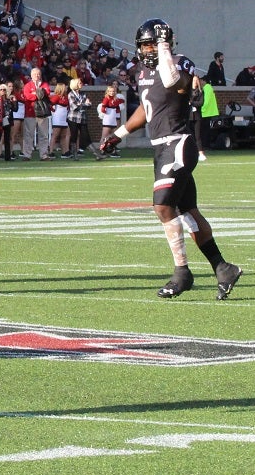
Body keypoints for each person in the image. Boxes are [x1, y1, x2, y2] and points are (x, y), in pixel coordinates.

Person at [100, 19, 242, 300]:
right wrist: (118, 134)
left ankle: (182, 273)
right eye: (146, 44)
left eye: (155, 43)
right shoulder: (142, 72)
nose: (150, 49)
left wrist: (165, 48)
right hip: (160, 147)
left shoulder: (179, 63)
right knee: (188, 211)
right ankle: (223, 268)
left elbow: (171, 80)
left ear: (166, 43)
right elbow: (146, 107)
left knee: (162, 206)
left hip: (178, 143)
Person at [0, 82, 14, 162]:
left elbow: (15, 109)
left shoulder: (9, 100)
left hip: (7, 120)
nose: (3, 91)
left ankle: (8, 157)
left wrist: (14, 101)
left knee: (7, 139)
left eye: (4, 89)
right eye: (1, 90)